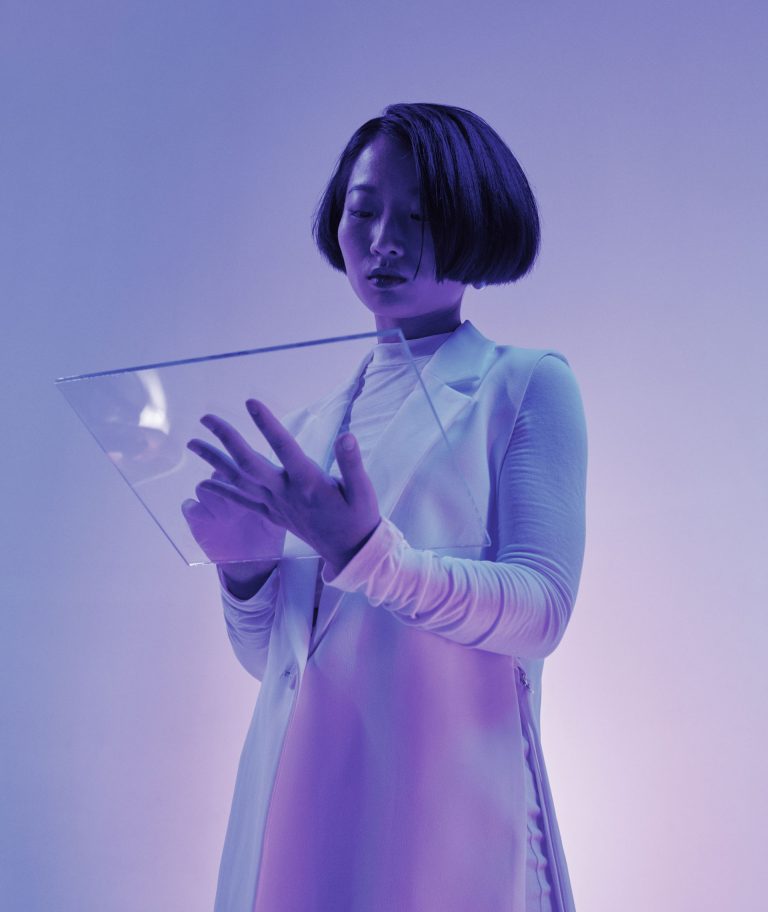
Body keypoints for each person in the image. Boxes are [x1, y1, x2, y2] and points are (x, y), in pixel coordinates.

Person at [182, 102, 587, 912]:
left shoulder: (524, 385)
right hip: (300, 800)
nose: (383, 241)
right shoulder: (312, 429)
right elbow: (278, 659)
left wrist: (370, 553)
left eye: (419, 215)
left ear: (477, 218)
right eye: (362, 211)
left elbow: (541, 611)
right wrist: (244, 572)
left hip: (441, 810)